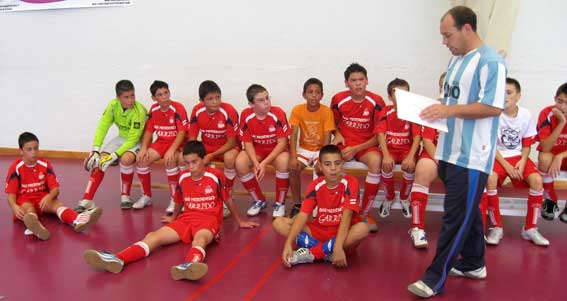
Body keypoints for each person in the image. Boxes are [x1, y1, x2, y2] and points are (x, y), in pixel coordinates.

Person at [408, 6, 506, 298]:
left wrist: (448, 109)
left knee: (454, 218)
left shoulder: (491, 62)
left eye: (447, 34)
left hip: (472, 156)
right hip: (448, 152)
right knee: (467, 212)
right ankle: (474, 262)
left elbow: (493, 106)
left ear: (467, 29)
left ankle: (434, 278)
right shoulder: (455, 61)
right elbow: (449, 100)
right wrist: (423, 110)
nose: (444, 41)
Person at [83, 141, 258, 281]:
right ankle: (118, 258)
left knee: (200, 239)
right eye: (187, 163)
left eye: (195, 162)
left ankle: (189, 266)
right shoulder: (183, 177)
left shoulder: (215, 176)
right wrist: (173, 219)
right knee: (154, 236)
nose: (191, 166)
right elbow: (178, 201)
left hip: (208, 220)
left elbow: (228, 199)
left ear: (204, 159)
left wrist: (240, 221)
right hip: (185, 219)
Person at [272, 144, 369, 268]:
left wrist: (338, 246)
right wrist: (288, 244)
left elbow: (347, 216)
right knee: (279, 223)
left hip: (342, 235)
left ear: (342, 164)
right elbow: (303, 215)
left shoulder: (351, 182)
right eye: (328, 164)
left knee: (363, 228)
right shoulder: (316, 185)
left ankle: (311, 254)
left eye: (337, 163)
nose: (333, 168)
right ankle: (327, 253)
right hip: (319, 232)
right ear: (320, 166)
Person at [479, 78, 547, 246]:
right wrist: (507, 166)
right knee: (490, 178)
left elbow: (526, 144)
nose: (505, 96)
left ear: (518, 96)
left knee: (537, 181)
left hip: (518, 157)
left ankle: (530, 228)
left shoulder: (526, 115)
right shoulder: (493, 114)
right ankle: (496, 227)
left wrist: (523, 162)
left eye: (509, 93)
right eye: (501, 93)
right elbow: (491, 145)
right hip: (498, 156)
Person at [6, 132, 102, 240]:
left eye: (36, 148)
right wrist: (14, 206)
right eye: (29, 149)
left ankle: (77, 220)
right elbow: (11, 194)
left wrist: (49, 196)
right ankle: (36, 226)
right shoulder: (16, 168)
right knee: (28, 208)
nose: (33, 152)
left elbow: (55, 189)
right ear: (21, 151)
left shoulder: (45, 164)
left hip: (42, 199)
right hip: (24, 200)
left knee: (57, 204)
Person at [76, 80, 147, 213]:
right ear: (118, 98)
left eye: (132, 95)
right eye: (126, 97)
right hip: (121, 138)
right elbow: (103, 126)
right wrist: (96, 150)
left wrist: (114, 155)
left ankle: (125, 196)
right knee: (99, 161)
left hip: (138, 140)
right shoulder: (112, 106)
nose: (130, 100)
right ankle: (87, 199)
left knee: (126, 159)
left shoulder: (139, 111)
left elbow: (132, 140)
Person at [331, 63, 386, 232]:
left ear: (367, 81)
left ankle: (364, 213)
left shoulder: (376, 101)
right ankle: (334, 209)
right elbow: (332, 123)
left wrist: (356, 149)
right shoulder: (338, 99)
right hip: (345, 145)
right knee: (327, 162)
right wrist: (338, 135)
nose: (358, 83)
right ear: (347, 83)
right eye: (353, 80)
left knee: (376, 161)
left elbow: (379, 135)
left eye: (361, 79)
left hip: (366, 145)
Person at [235, 84, 290, 217]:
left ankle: (280, 203)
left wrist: (264, 164)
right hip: (257, 150)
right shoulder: (246, 115)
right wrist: (255, 163)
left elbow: (282, 143)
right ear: (251, 104)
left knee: (283, 161)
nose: (267, 102)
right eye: (261, 100)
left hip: (276, 150)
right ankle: (258, 200)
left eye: (267, 98)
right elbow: (247, 143)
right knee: (240, 162)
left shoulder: (278, 113)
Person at [187, 80, 240, 218]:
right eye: (210, 99)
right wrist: (194, 155)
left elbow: (231, 142)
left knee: (229, 159)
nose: (215, 102)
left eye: (218, 97)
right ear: (201, 101)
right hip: (207, 146)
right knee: (186, 159)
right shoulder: (197, 110)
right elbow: (192, 137)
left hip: (227, 147)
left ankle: (227, 195)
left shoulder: (229, 111)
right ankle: (193, 197)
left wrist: (211, 155)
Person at [135, 80, 188, 213]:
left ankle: (175, 198)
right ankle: (146, 196)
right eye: (160, 94)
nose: (164, 97)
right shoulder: (153, 109)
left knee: (170, 161)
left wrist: (172, 150)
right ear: (154, 98)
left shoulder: (178, 108)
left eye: (166, 93)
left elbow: (182, 132)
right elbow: (148, 131)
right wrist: (143, 148)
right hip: (161, 142)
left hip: (178, 143)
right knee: (141, 160)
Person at [408, 72, 446, 249]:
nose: (445, 89)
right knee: (422, 170)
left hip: (458, 156)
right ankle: (417, 228)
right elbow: (428, 140)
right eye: (442, 85)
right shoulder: (433, 108)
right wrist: (441, 162)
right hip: (435, 154)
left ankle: (468, 231)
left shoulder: (467, 109)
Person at [288, 78, 335, 217]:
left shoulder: (327, 112)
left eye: (317, 92)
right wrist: (293, 157)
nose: (313, 95)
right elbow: (294, 135)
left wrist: (323, 159)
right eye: (310, 92)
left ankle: (317, 204)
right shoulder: (297, 110)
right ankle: (297, 204)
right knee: (293, 169)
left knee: (321, 170)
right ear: (304, 94)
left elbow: (328, 138)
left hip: (321, 150)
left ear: (322, 95)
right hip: (304, 149)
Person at [375, 78, 421, 220]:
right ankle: (389, 197)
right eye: (397, 94)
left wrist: (411, 156)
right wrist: (386, 155)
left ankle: (404, 197)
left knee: (410, 167)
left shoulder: (413, 112)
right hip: (391, 149)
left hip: (407, 149)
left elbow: (418, 136)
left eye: (405, 94)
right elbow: (380, 134)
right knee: (386, 165)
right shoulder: (386, 111)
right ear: (390, 97)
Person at [537, 81, 567, 223]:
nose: (562, 107)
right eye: (560, 101)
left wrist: (561, 156)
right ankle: (550, 200)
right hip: (551, 156)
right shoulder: (546, 113)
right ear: (555, 99)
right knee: (543, 158)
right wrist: (561, 123)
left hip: (563, 156)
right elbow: (545, 147)